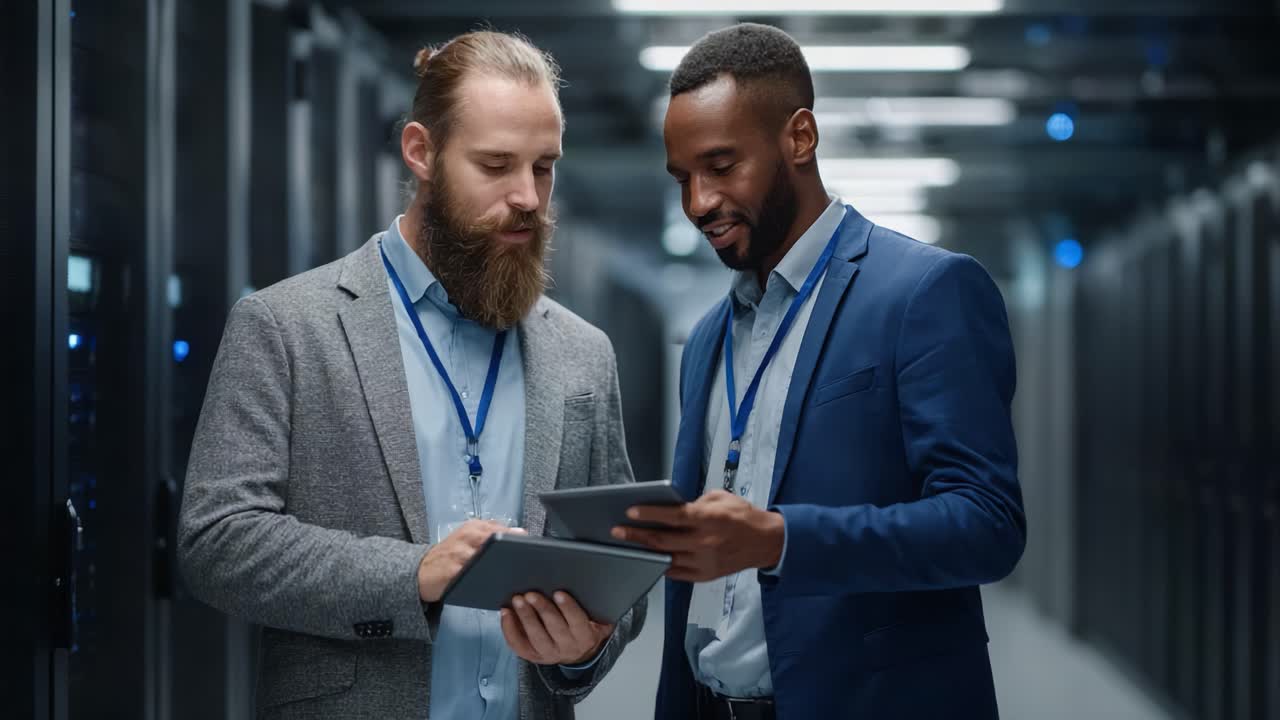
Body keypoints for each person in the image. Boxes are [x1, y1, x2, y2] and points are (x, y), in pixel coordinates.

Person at [178, 30, 643, 719]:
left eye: (544, 168)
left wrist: (584, 646)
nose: (528, 197)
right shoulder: (288, 326)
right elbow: (216, 539)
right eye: (496, 165)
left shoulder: (582, 351)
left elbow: (616, 562)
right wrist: (413, 574)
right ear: (422, 152)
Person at [612, 23, 1026, 720]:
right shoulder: (710, 335)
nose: (697, 203)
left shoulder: (925, 293)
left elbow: (986, 524)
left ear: (799, 138)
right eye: (682, 178)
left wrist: (779, 539)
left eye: (721, 165)